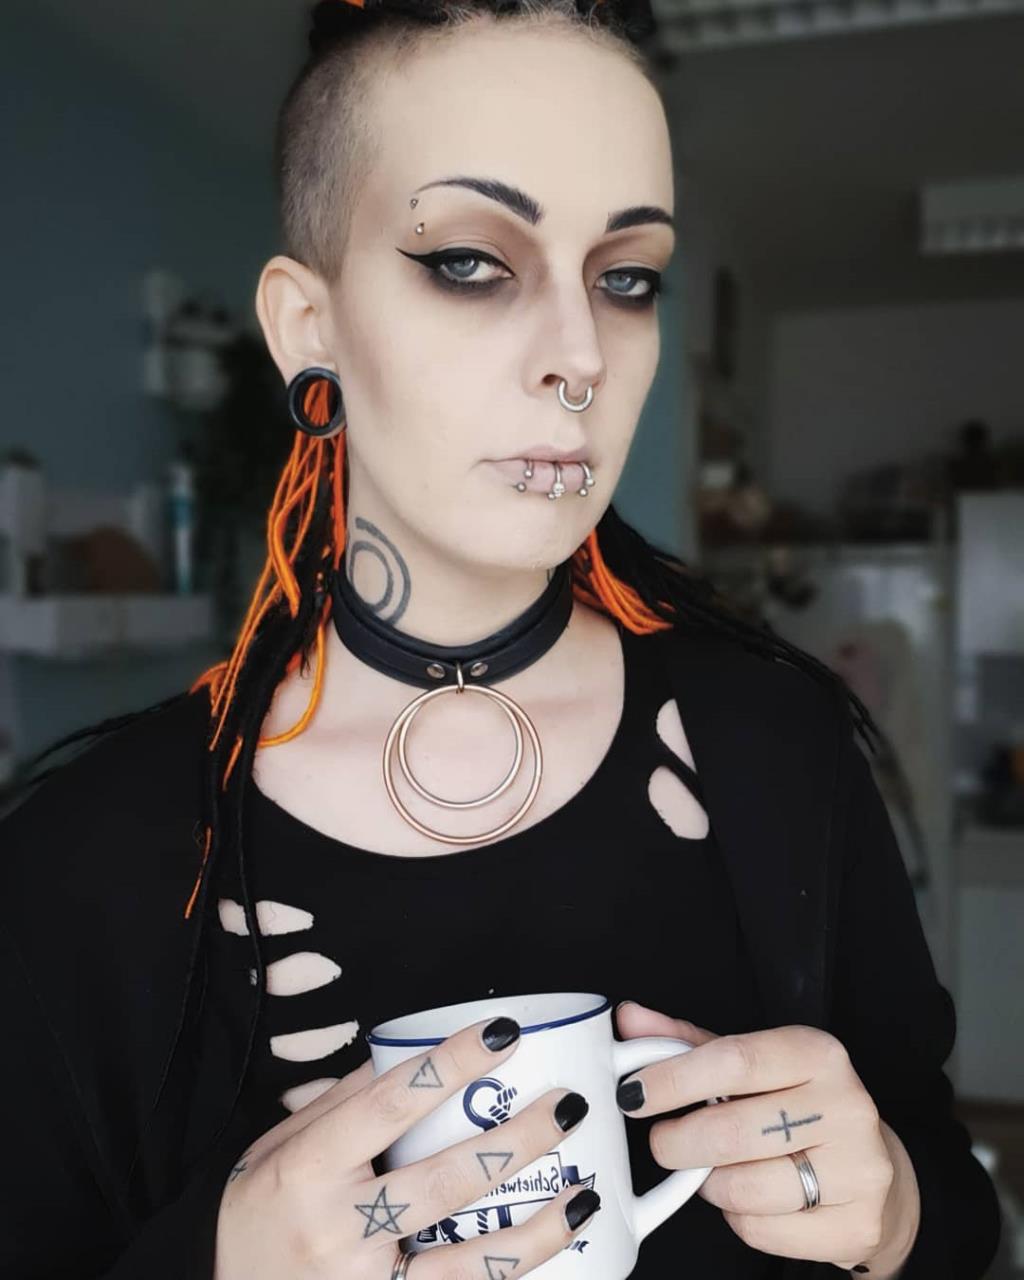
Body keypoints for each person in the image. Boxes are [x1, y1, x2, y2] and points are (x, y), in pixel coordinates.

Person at [0, 0, 1001, 1276]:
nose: (580, 356)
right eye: (472, 261)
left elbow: (950, 1210)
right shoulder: (81, 860)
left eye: (625, 278)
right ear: (308, 327)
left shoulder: (775, 747)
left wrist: (895, 1205)